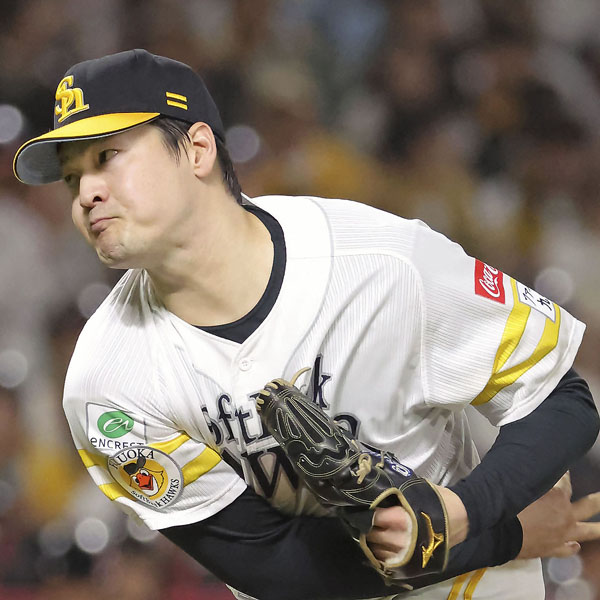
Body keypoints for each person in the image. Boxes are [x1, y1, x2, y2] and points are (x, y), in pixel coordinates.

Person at [13, 49, 600, 600]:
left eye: (107, 157)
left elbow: (562, 398)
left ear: (196, 150)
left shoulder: (381, 261)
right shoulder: (106, 381)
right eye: (72, 177)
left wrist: (468, 509)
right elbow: (272, 564)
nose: (86, 194)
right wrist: (500, 536)